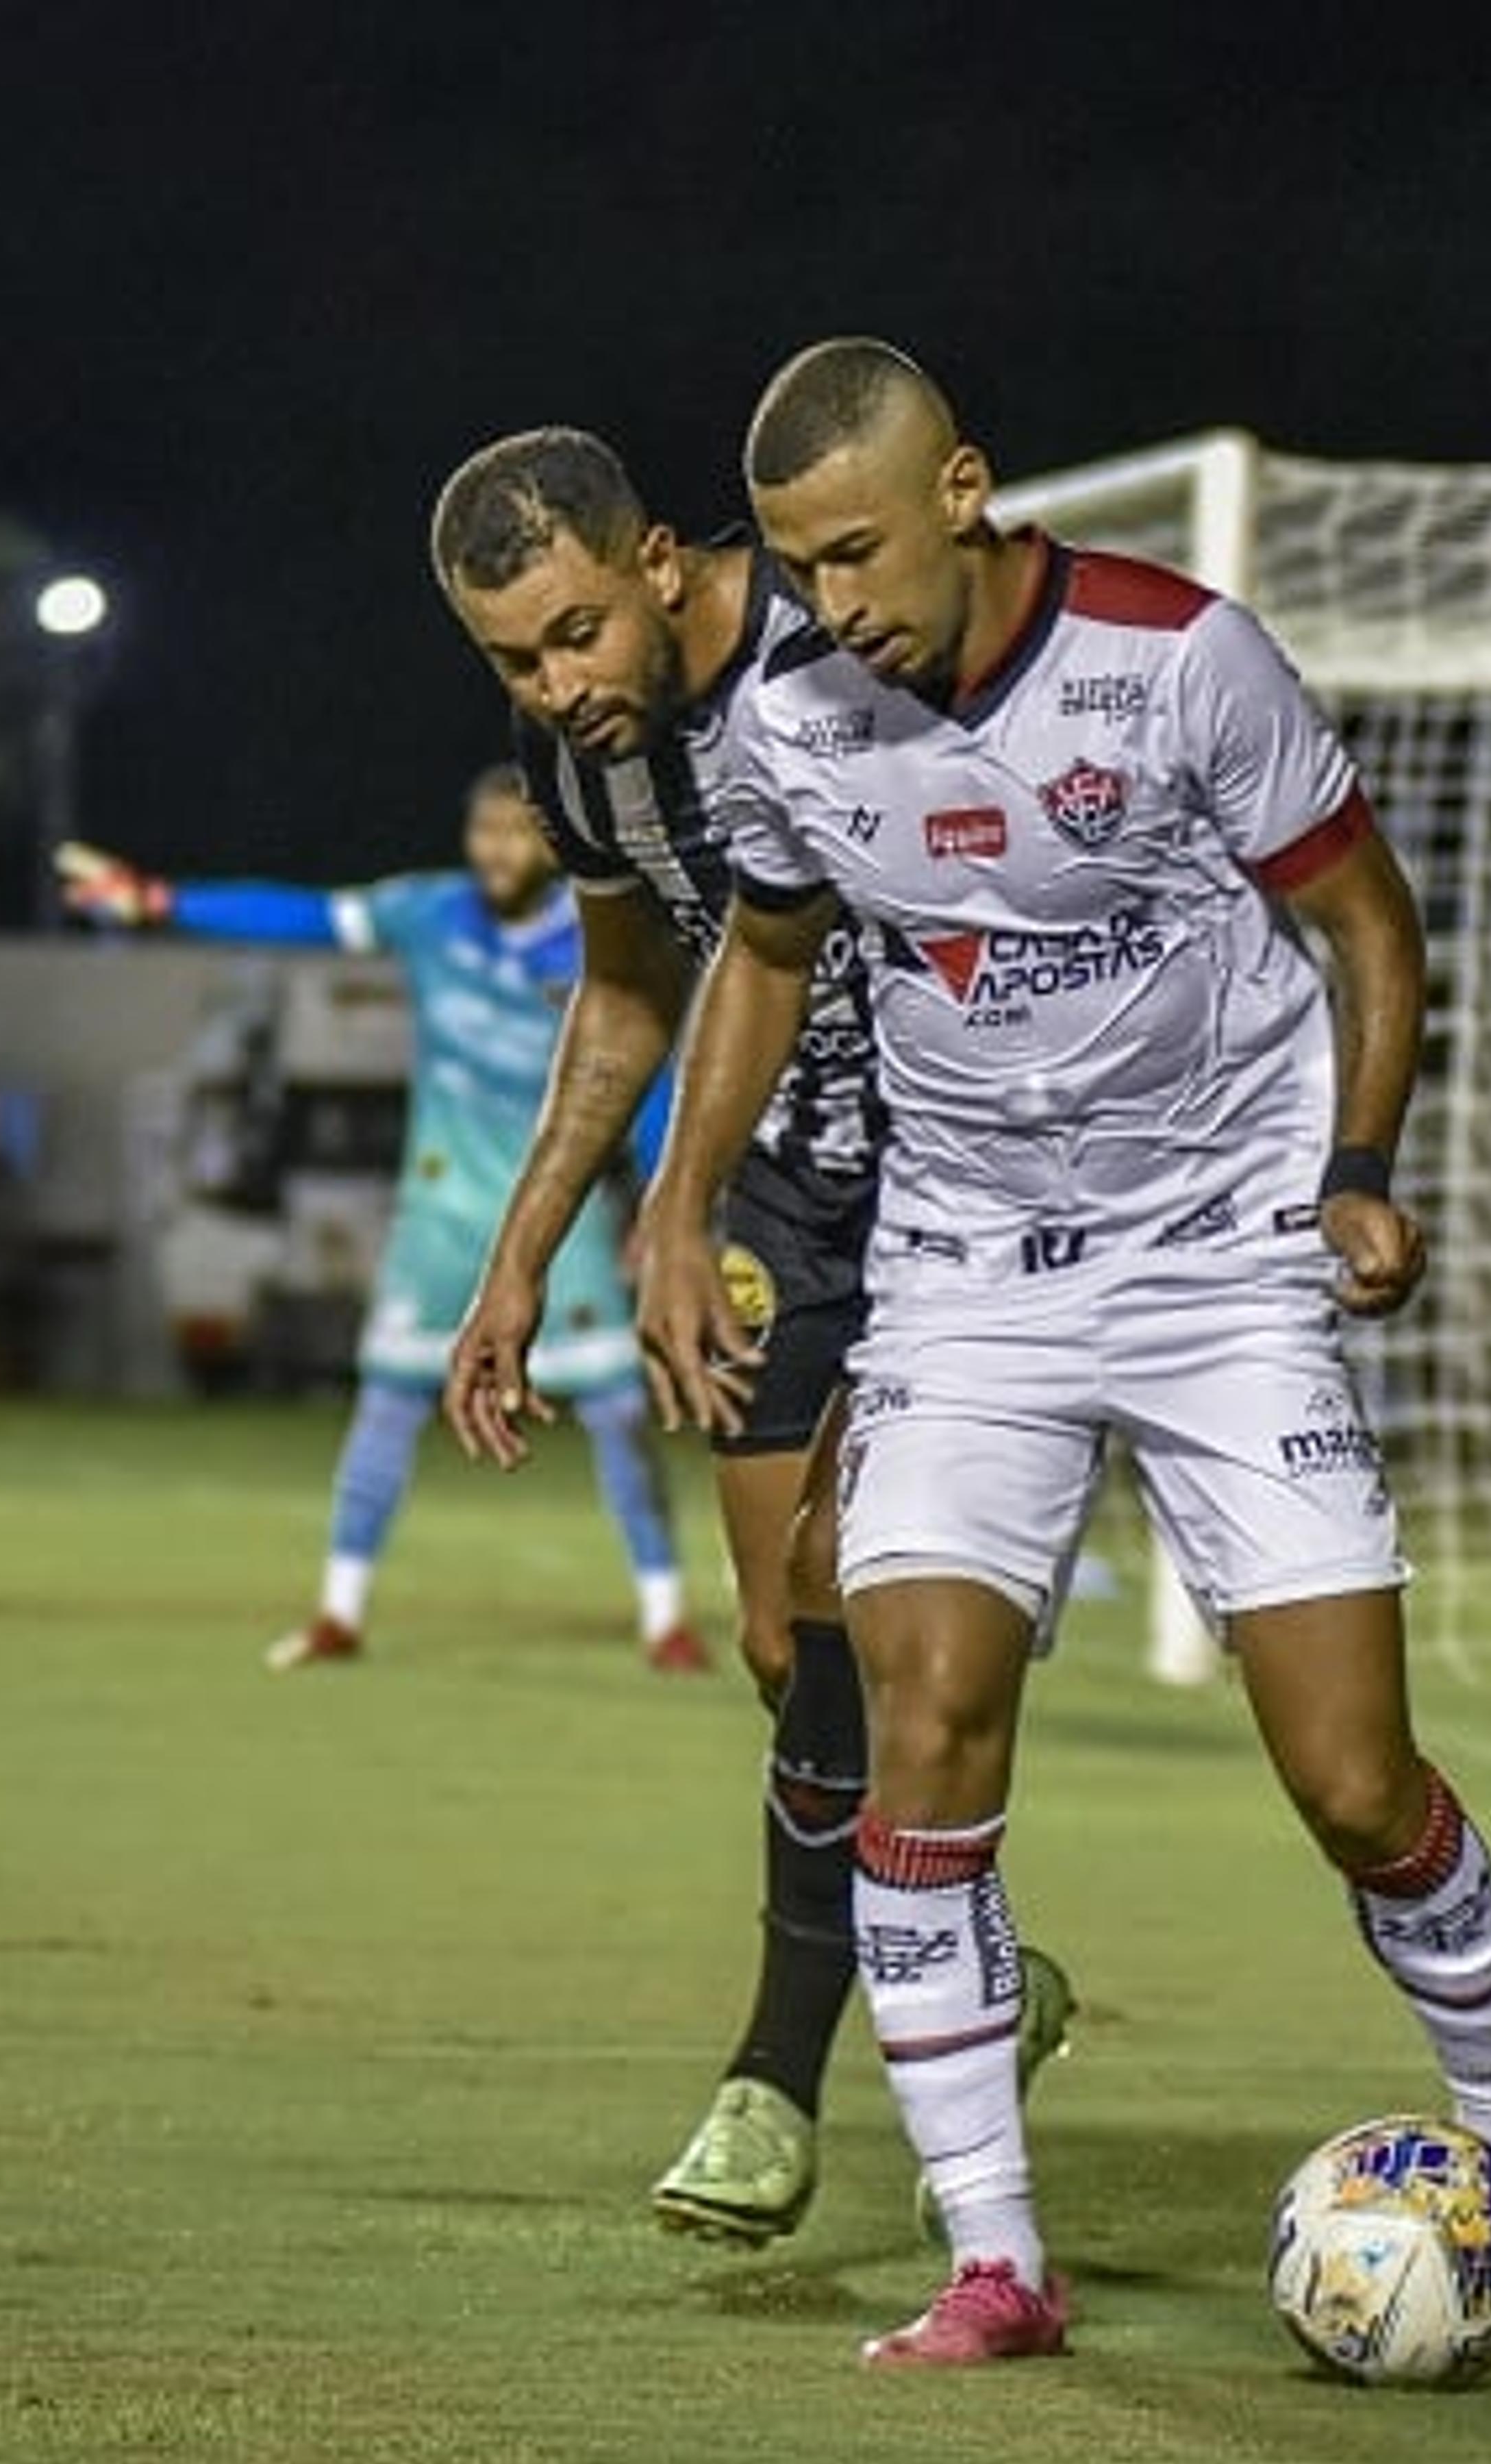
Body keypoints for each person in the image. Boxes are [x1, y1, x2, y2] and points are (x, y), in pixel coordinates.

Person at [632, 339, 1491, 2369]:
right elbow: (760, 948)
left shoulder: (1181, 662)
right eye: (801, 571)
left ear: (964, 490)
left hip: (1220, 1260)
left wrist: (1357, 1163)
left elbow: (1363, 919)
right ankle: (997, 2254)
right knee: (916, 1710)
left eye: (858, 555)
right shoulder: (792, 721)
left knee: (1354, 1781)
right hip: (965, 1273)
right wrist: (674, 1199)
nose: (834, 608)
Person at [424, 431, 1073, 2243]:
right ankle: (972, 1971)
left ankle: (769, 2089)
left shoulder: (842, 658)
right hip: (790, 1197)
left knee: (846, 1581)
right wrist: (516, 1269)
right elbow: (627, 1002)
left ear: (653, 561)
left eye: (573, 637)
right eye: (513, 664)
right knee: (794, 1652)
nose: (558, 686)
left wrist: (674, 1209)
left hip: (976, 1188)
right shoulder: (592, 769)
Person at [58, 769, 705, 1674]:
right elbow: (304, 920)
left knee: (619, 1412)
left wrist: (668, 1197)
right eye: (481, 833)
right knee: (387, 1405)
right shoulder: (428, 913)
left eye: (514, 834)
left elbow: (641, 1073)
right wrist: (161, 901)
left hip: (559, 1230)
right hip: (439, 1221)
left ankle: (665, 1618)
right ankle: (339, 1610)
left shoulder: (593, 938)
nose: (494, 854)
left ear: (552, 843)